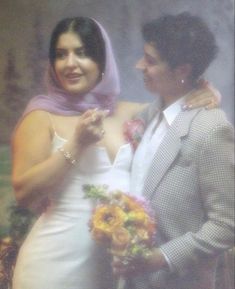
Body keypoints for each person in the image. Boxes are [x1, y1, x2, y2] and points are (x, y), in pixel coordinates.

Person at [11, 16, 219, 289]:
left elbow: (184, 99)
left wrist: (207, 92)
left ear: (102, 62)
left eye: (82, 53)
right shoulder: (41, 117)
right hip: (53, 265)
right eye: (61, 55)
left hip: (115, 272)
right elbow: (25, 193)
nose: (70, 64)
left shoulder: (132, 113)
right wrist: (76, 143)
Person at [113, 12, 234, 289]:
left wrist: (162, 257)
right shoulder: (150, 115)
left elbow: (227, 225)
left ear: (182, 70)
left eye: (151, 61)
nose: (139, 65)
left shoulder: (212, 129)